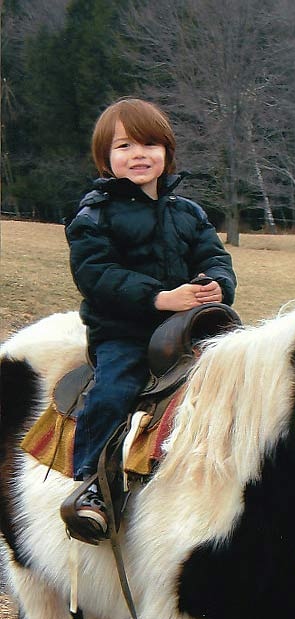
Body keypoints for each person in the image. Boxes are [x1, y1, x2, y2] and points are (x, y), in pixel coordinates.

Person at [64, 97, 237, 538]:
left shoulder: (188, 213)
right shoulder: (94, 215)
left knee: (238, 387)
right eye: (123, 146)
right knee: (114, 389)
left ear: (167, 152)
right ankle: (91, 485)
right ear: (105, 159)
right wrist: (160, 297)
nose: (138, 154)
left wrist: (217, 285)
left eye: (148, 143)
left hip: (185, 333)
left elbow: (215, 256)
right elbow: (96, 274)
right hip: (124, 333)